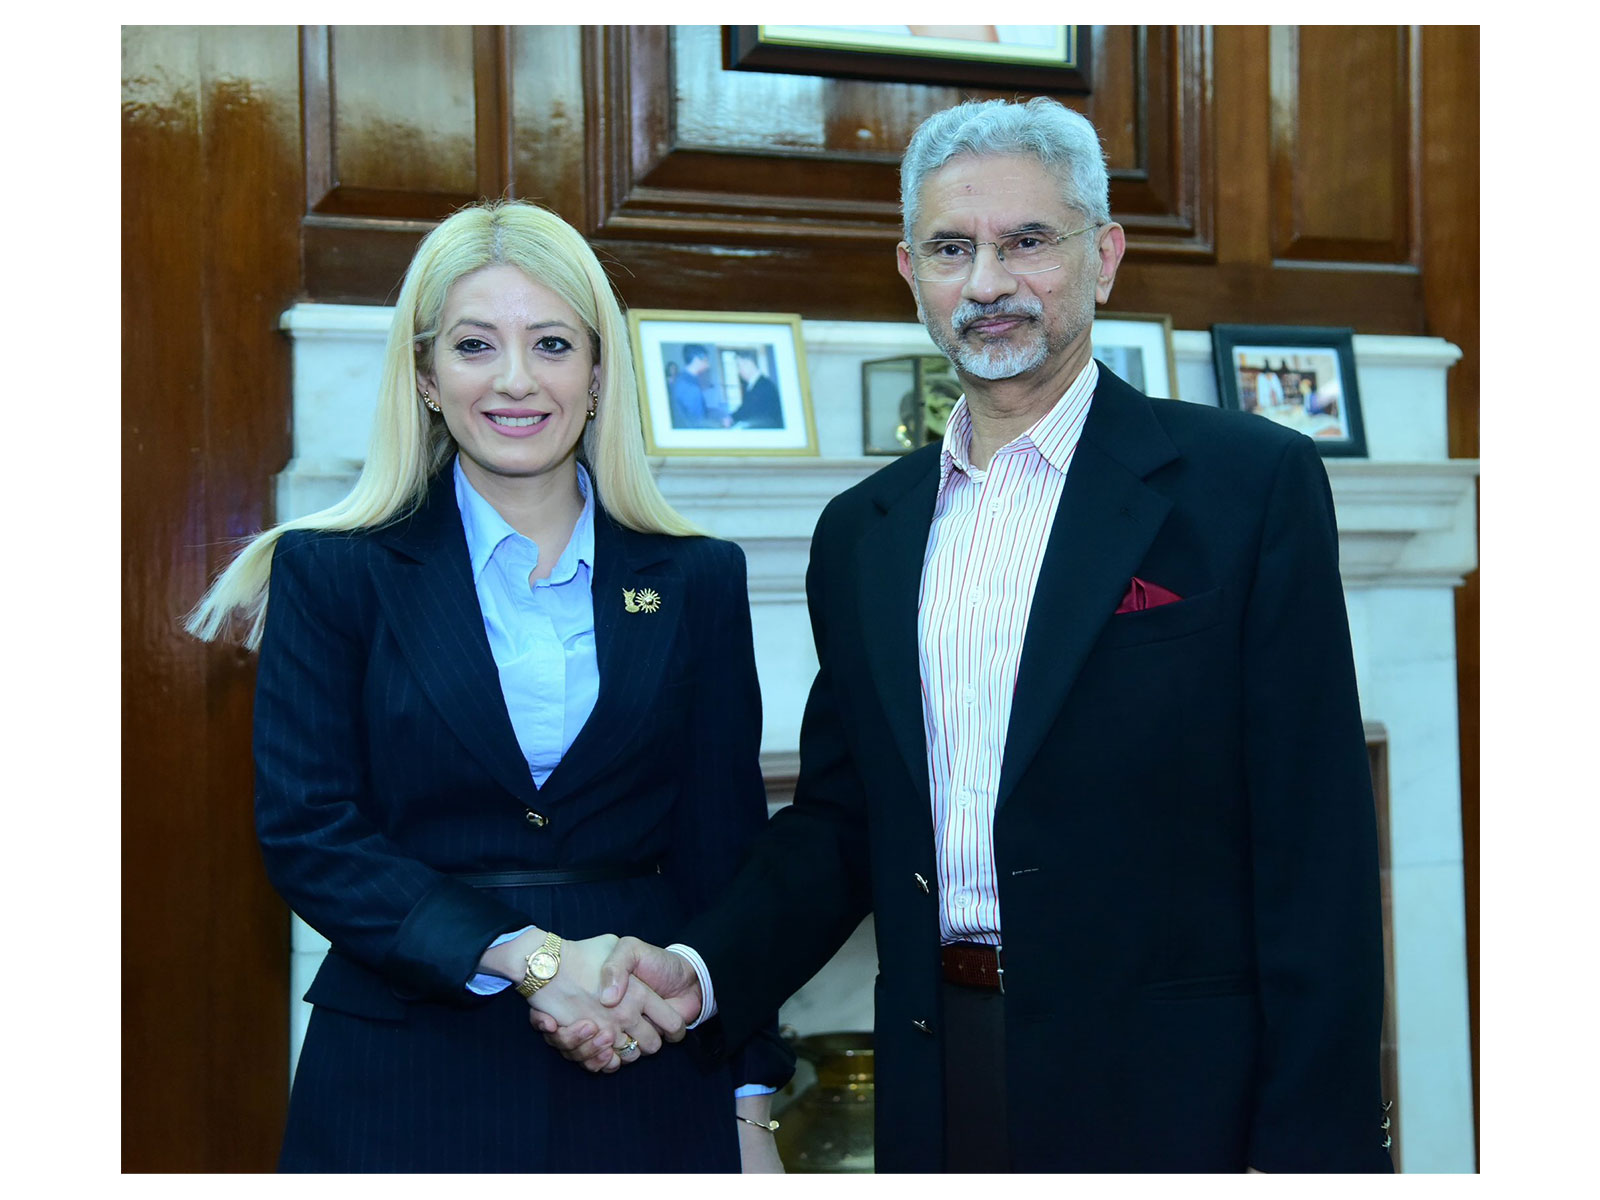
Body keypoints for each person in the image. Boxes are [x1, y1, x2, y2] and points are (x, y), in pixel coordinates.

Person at [542, 97, 1393, 1173]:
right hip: (937, 1077)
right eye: (952, 248)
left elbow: (1315, 844)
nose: (987, 282)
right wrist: (703, 968)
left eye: (1026, 241)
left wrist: (1316, 1154)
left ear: (1103, 258)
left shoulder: (1246, 488)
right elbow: (842, 822)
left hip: (1180, 1096)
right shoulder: (863, 533)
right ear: (912, 274)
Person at [186, 199, 791, 1172]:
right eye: (475, 345)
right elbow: (310, 833)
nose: (516, 379)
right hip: (405, 1068)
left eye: (552, 343)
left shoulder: (698, 578)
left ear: (598, 374)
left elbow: (726, 855)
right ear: (426, 377)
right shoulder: (332, 572)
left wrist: (751, 1106)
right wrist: (534, 959)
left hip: (642, 1054)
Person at [669, 343, 723, 427]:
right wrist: (720, 424)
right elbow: (697, 423)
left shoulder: (681, 378)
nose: (708, 365)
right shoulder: (690, 386)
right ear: (697, 360)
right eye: (706, 360)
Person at [731, 349, 783, 428]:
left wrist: (734, 421)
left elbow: (756, 414)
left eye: (739, 366)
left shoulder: (765, 386)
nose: (739, 371)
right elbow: (745, 408)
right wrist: (732, 417)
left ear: (749, 364)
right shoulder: (754, 384)